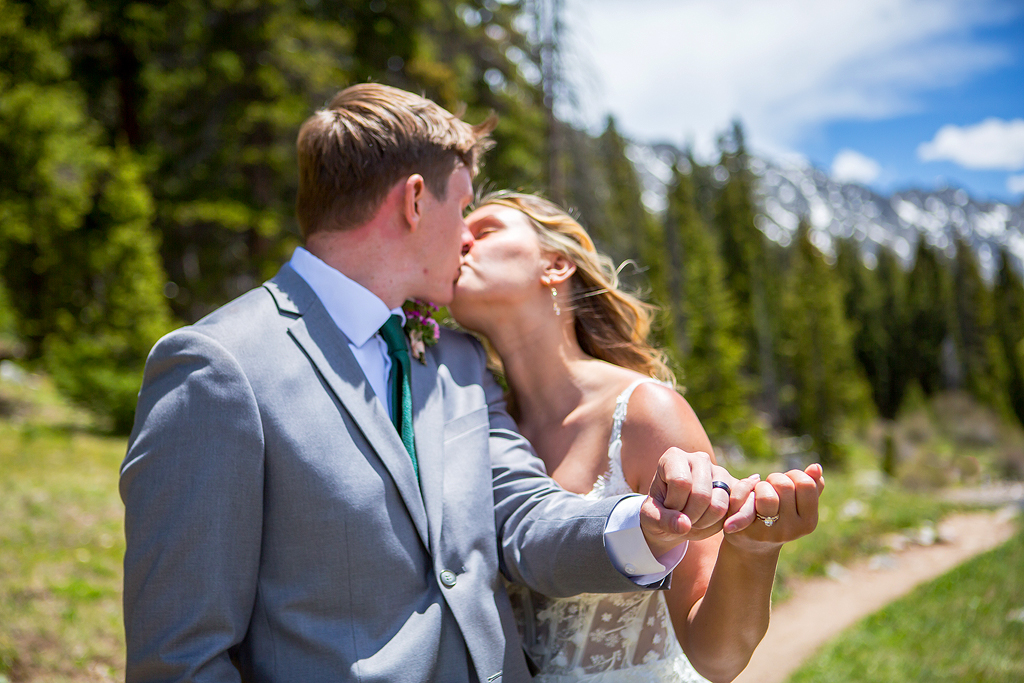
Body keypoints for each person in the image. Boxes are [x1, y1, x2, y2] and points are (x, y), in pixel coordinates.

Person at [119, 84, 759, 683]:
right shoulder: (218, 367)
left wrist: (647, 530)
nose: (466, 236)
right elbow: (181, 656)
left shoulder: (455, 359)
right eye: (465, 207)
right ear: (416, 201)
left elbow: (520, 516)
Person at [449, 191, 825, 682]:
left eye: (486, 230)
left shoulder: (647, 414)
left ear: (556, 265)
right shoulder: (477, 429)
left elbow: (718, 659)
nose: (461, 239)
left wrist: (752, 551)